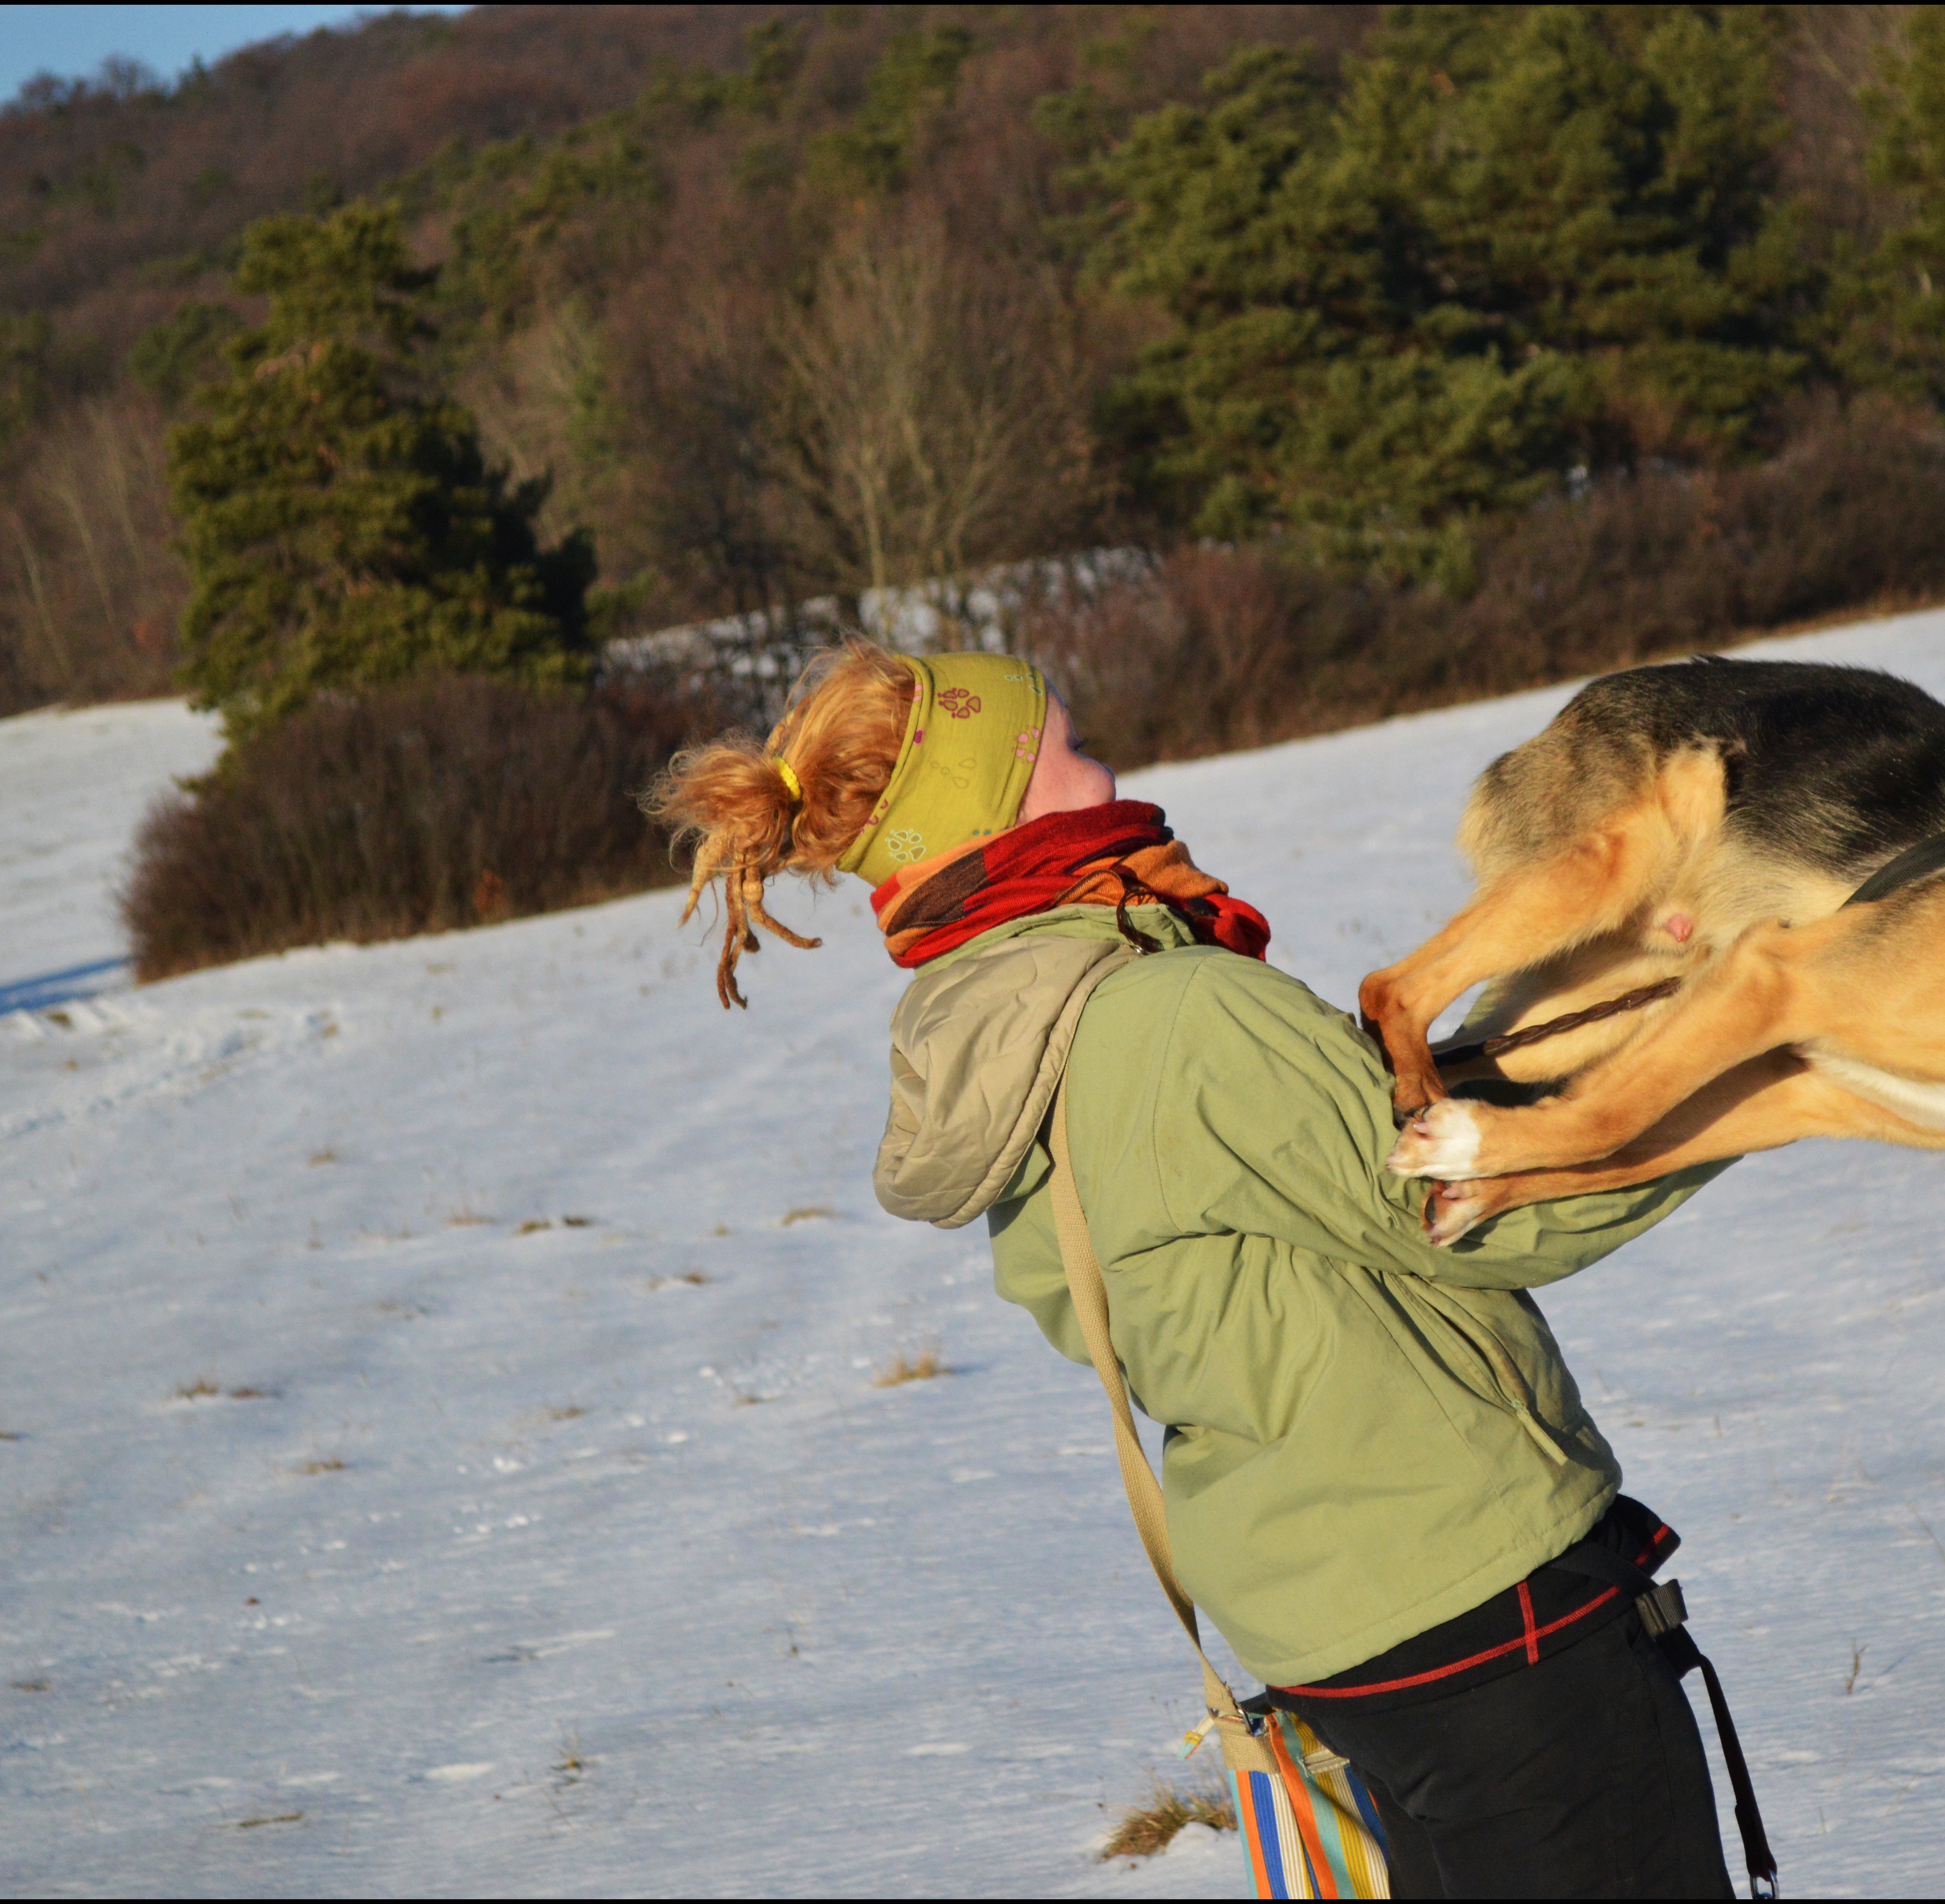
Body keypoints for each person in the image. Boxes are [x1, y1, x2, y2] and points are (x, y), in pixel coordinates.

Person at [652, 641, 1752, 1898]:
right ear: (992, 803)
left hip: (1341, 1630)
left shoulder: (1012, 1042)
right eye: (1068, 749)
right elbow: (1488, 1207)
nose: (1109, 766)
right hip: (1480, 1605)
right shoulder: (1172, 1012)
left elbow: (1325, 1189)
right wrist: (1759, 1059)